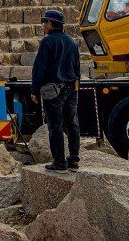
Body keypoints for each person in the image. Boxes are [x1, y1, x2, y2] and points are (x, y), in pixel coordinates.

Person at [30, 9, 81, 171]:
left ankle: (59, 162)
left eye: (45, 22)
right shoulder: (72, 41)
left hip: (54, 91)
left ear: (51, 23)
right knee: (72, 124)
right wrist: (76, 86)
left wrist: (34, 90)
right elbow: (77, 67)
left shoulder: (48, 41)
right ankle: (74, 160)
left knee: (55, 126)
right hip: (71, 88)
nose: (43, 25)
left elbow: (39, 68)